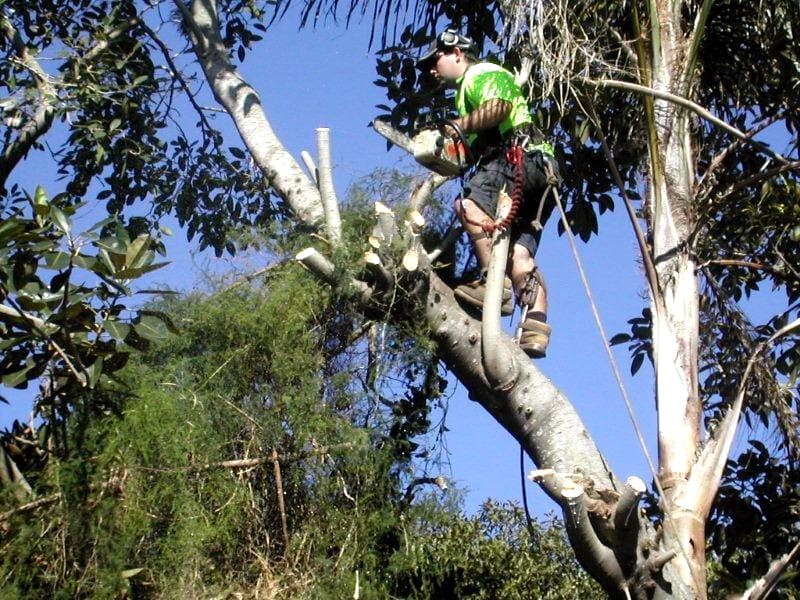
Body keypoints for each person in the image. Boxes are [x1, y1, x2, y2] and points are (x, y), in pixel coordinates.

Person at [416, 29, 560, 358]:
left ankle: (494, 283)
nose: (433, 72)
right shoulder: (469, 92)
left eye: (435, 61)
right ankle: (536, 326)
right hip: (543, 172)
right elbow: (477, 145)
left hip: (519, 158)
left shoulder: (480, 74)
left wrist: (455, 127)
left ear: (457, 53)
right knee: (518, 258)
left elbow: (498, 107)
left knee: (467, 205)